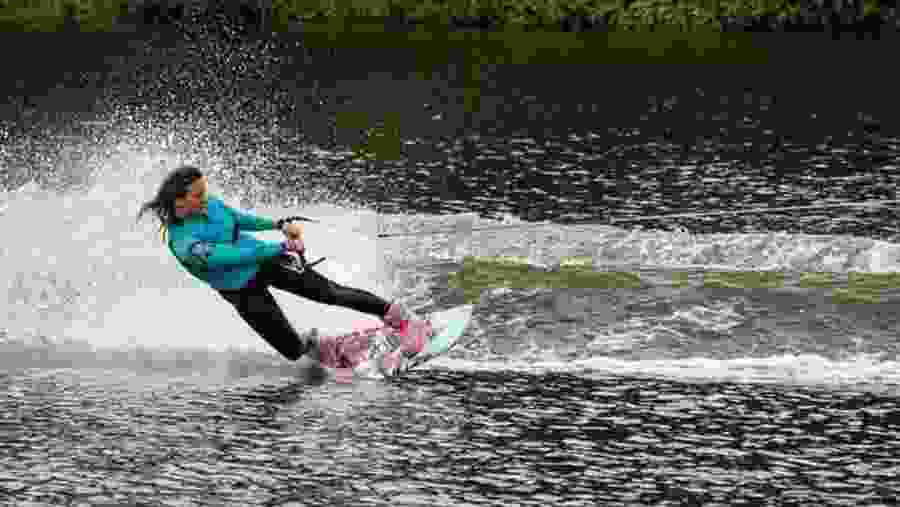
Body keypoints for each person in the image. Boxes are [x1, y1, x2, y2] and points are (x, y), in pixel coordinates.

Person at [136, 165, 432, 374]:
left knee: (331, 293)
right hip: (241, 290)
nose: (206, 198)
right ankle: (321, 349)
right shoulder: (183, 243)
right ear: (180, 201)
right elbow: (232, 256)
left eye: (205, 191)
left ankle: (405, 321)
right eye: (198, 195)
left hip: (267, 263)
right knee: (292, 351)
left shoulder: (209, 204)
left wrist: (277, 225)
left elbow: (237, 219)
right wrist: (279, 247)